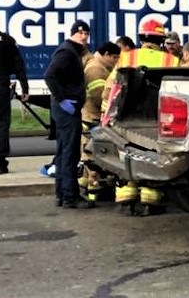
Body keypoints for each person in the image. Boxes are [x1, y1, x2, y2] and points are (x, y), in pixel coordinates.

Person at [102, 18, 179, 216]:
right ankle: (149, 201)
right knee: (153, 158)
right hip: (155, 119)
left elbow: (111, 88)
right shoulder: (172, 61)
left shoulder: (126, 58)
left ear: (141, 37)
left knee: (125, 154)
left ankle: (126, 201)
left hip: (126, 118)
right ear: (161, 39)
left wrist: (107, 115)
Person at [44, 20, 94, 208]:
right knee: (70, 153)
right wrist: (62, 99)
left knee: (64, 151)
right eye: (80, 33)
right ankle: (70, 196)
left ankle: (62, 194)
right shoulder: (67, 52)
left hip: (67, 107)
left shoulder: (72, 51)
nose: (83, 37)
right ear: (73, 33)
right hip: (66, 108)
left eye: (86, 34)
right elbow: (49, 75)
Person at [0, 11, 29, 175]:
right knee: (1, 125)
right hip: (2, 86)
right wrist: (25, 88)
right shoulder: (8, 41)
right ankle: (1, 164)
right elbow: (19, 67)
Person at [80, 41, 120, 202]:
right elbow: (99, 96)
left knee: (88, 157)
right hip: (93, 118)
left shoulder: (99, 66)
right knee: (91, 158)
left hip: (91, 117)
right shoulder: (96, 69)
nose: (116, 61)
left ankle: (86, 189)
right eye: (115, 57)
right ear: (106, 55)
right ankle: (94, 193)